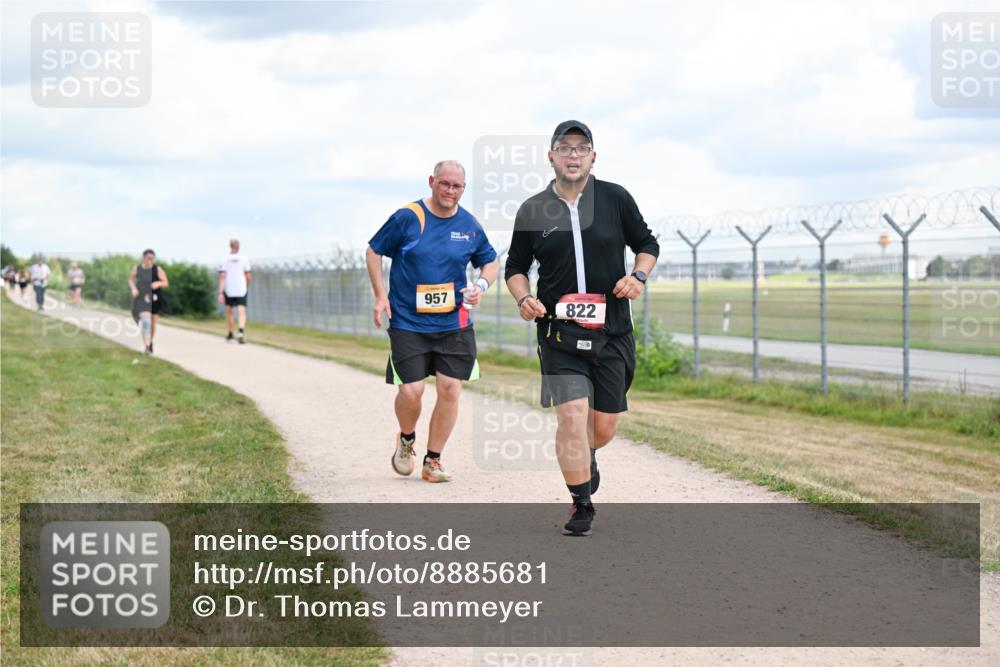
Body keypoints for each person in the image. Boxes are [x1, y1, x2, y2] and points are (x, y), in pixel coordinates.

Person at [505, 121, 659, 536]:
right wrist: (523, 299)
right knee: (571, 415)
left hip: (612, 332)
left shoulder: (615, 198)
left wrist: (638, 277)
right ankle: (581, 504)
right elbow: (515, 268)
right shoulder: (532, 209)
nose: (573, 155)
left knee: (601, 427)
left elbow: (648, 244)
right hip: (560, 334)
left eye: (581, 148)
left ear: (593, 157)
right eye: (564, 148)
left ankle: (586, 455)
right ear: (551, 157)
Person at [366, 160, 499, 483]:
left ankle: (433, 460)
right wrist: (381, 296)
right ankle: (407, 439)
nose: (450, 191)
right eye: (445, 184)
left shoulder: (469, 225)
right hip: (408, 321)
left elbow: (491, 262)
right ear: (431, 182)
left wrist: (480, 286)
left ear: (463, 189)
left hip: (454, 323)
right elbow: (373, 251)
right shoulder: (408, 217)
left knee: (450, 388)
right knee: (411, 392)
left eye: (457, 186)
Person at [128, 249, 169, 354]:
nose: (150, 261)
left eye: (152, 259)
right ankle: (147, 346)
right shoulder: (137, 269)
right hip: (142, 297)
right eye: (148, 258)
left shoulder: (157, 269)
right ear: (143, 258)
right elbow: (130, 280)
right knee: (146, 321)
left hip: (154, 297)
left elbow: (166, 283)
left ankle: (150, 342)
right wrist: (133, 288)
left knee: (153, 323)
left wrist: (158, 284)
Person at [218, 239, 252, 344]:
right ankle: (241, 332)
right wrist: (246, 285)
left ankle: (230, 334)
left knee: (229, 312)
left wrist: (220, 292)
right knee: (242, 312)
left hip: (229, 288)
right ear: (239, 246)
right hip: (241, 288)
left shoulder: (224, 259)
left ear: (230, 246)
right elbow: (248, 275)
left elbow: (222, 276)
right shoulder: (244, 258)